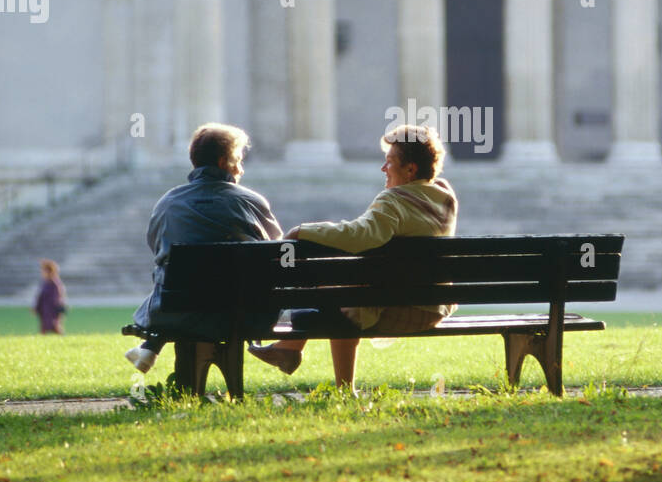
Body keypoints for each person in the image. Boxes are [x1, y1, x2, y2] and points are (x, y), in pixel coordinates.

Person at [249, 124, 458, 392]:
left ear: (410, 169)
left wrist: (304, 231)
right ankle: (291, 349)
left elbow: (361, 234)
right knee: (338, 295)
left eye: (390, 162)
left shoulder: (394, 200)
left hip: (402, 309)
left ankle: (300, 354)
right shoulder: (445, 198)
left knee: (336, 304)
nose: (384, 169)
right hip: (433, 306)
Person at [124, 123, 283, 373]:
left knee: (171, 280)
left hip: (180, 310)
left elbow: (157, 247)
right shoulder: (251, 201)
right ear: (223, 162)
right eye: (238, 160)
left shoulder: (168, 203)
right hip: (248, 313)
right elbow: (276, 250)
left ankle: (153, 346)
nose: (241, 169)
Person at [33, 259, 67, 334]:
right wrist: (37, 307)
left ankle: (63, 340)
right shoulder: (44, 283)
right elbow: (40, 297)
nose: (42, 273)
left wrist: (59, 308)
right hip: (45, 310)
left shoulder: (55, 283)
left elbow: (58, 297)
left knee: (55, 326)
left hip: (52, 310)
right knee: (44, 327)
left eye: (44, 271)